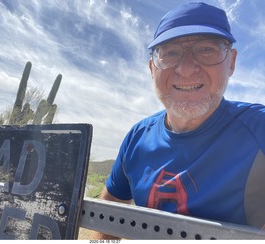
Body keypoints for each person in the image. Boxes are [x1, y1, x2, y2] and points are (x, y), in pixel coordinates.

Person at [94, 1, 265, 239]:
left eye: (206, 49)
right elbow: (107, 214)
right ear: (152, 68)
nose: (185, 69)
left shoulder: (259, 129)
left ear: (232, 63)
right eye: (170, 52)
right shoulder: (137, 138)